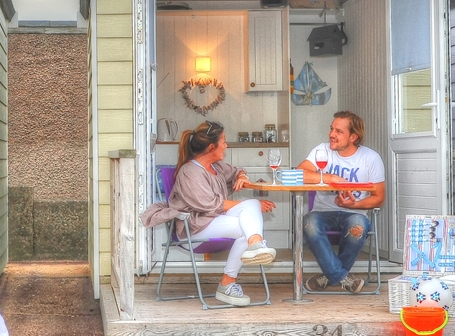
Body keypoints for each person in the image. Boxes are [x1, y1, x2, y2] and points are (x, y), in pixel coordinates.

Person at [141, 120, 277, 307]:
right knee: (248, 221)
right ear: (212, 146)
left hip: (215, 221)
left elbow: (237, 171)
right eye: (224, 142)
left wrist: (242, 177)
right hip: (195, 226)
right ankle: (231, 279)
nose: (226, 145)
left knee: (250, 216)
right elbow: (210, 205)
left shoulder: (216, 167)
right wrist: (248, 205)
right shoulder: (189, 172)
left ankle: (253, 247)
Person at [298, 111, 385, 294]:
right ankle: (342, 277)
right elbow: (300, 174)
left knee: (357, 228)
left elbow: (378, 197)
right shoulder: (322, 151)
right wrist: (332, 178)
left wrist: (353, 205)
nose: (332, 134)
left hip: (355, 213)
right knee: (309, 223)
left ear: (353, 136)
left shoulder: (371, 158)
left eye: (339, 131)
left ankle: (330, 275)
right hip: (323, 212)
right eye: (331, 129)